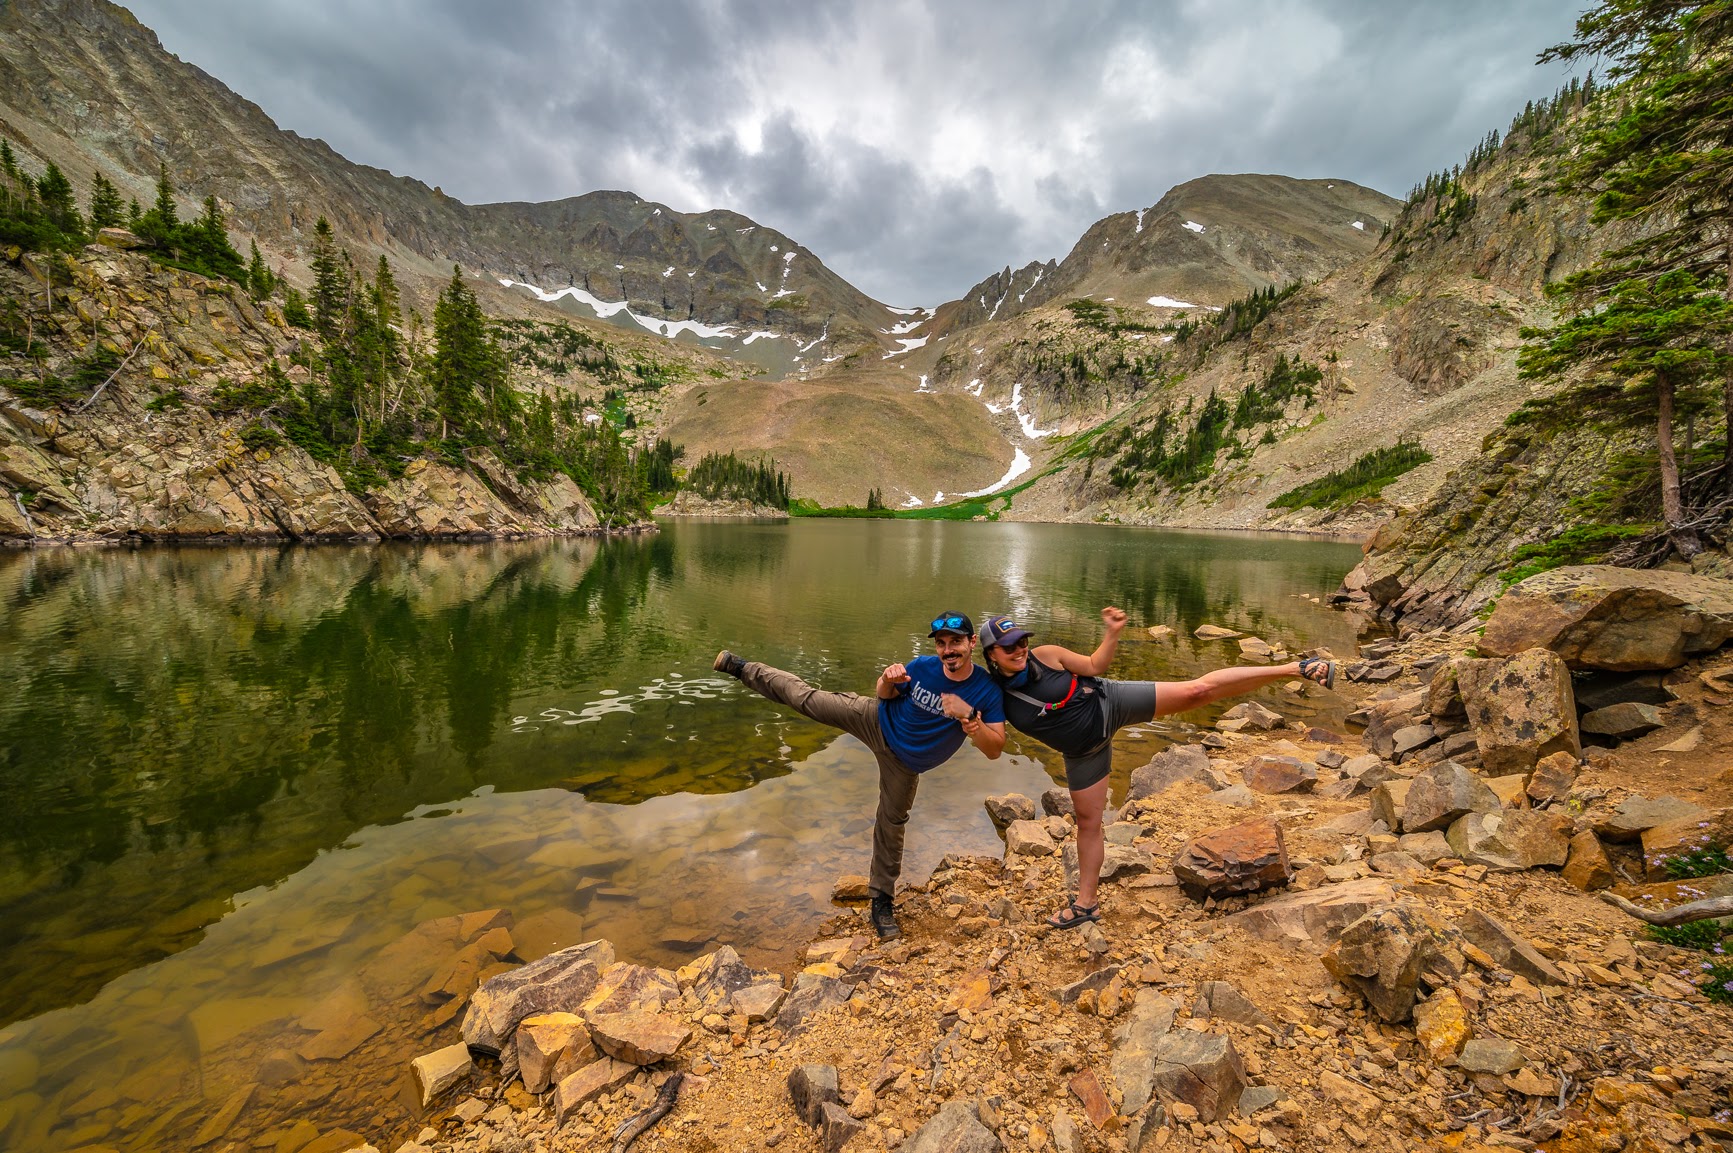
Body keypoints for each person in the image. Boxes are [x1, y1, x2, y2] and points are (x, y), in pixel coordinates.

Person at [977, 607, 1335, 929]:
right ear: (992, 655)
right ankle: (1086, 904)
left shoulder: (1047, 656)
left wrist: (1112, 633)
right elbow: (991, 743)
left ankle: (1297, 668)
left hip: (1110, 702)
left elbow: (1094, 667)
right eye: (1010, 646)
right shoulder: (995, 697)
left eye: (1022, 641)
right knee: (1088, 824)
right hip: (1084, 752)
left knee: (1198, 691)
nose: (1020, 649)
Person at [713, 611, 1006, 940]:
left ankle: (881, 901)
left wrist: (969, 718)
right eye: (942, 644)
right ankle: (742, 668)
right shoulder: (921, 667)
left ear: (970, 644)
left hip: (905, 763)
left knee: (891, 823)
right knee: (806, 699)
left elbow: (994, 749)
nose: (948, 650)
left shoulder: (985, 690)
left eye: (956, 642)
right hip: (874, 719)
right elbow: (883, 694)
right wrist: (887, 679)